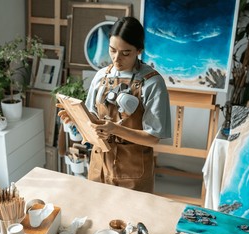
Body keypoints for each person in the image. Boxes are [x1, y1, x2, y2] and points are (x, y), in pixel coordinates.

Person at [58, 16, 172, 193]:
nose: (117, 59)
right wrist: (75, 119)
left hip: (133, 172)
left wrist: (115, 129)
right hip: (99, 165)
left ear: (139, 50)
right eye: (112, 50)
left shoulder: (153, 83)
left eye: (125, 53)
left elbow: (152, 138)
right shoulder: (101, 76)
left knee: (131, 219)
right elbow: (92, 119)